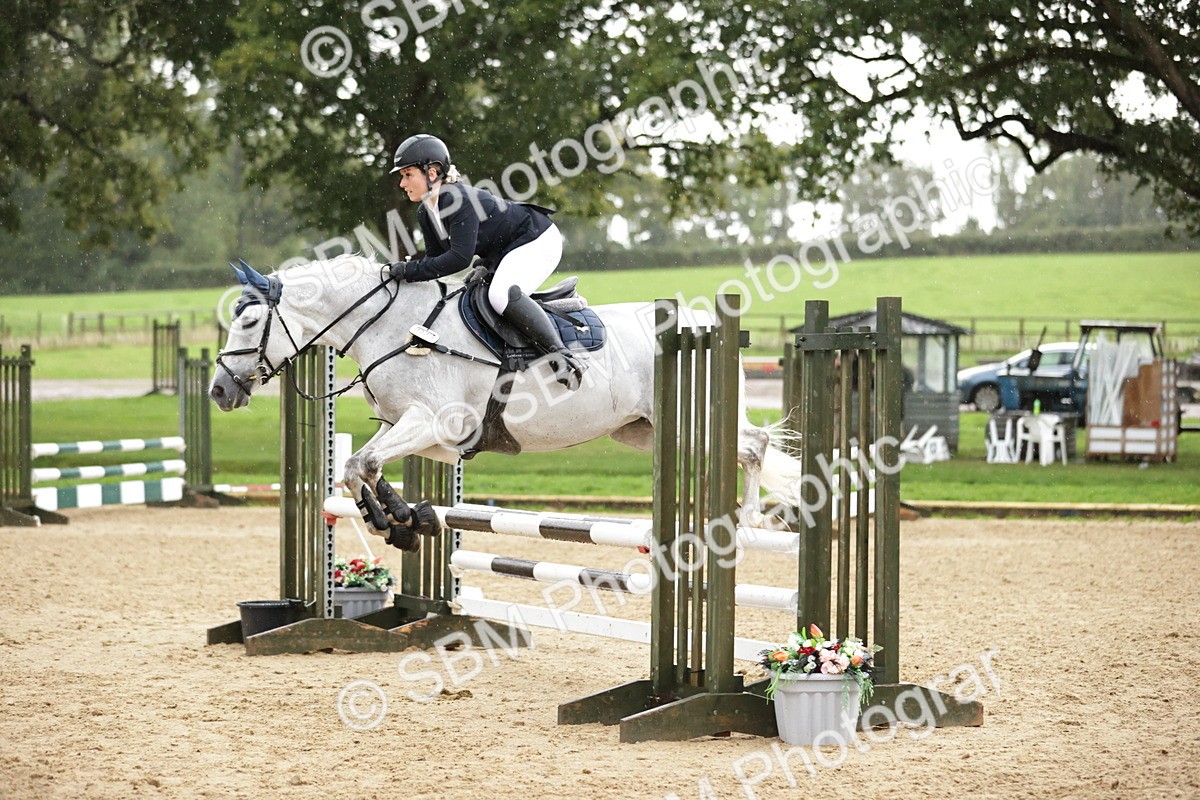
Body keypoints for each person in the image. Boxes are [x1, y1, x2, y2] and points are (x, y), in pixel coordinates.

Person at [386, 134, 586, 389]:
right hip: (506, 249)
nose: (402, 183)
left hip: (537, 239)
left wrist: (408, 270)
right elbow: (435, 260)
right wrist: (405, 273)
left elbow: (458, 259)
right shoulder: (426, 210)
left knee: (500, 295)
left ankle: (563, 357)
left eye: (407, 174)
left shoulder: (455, 199)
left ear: (432, 172)